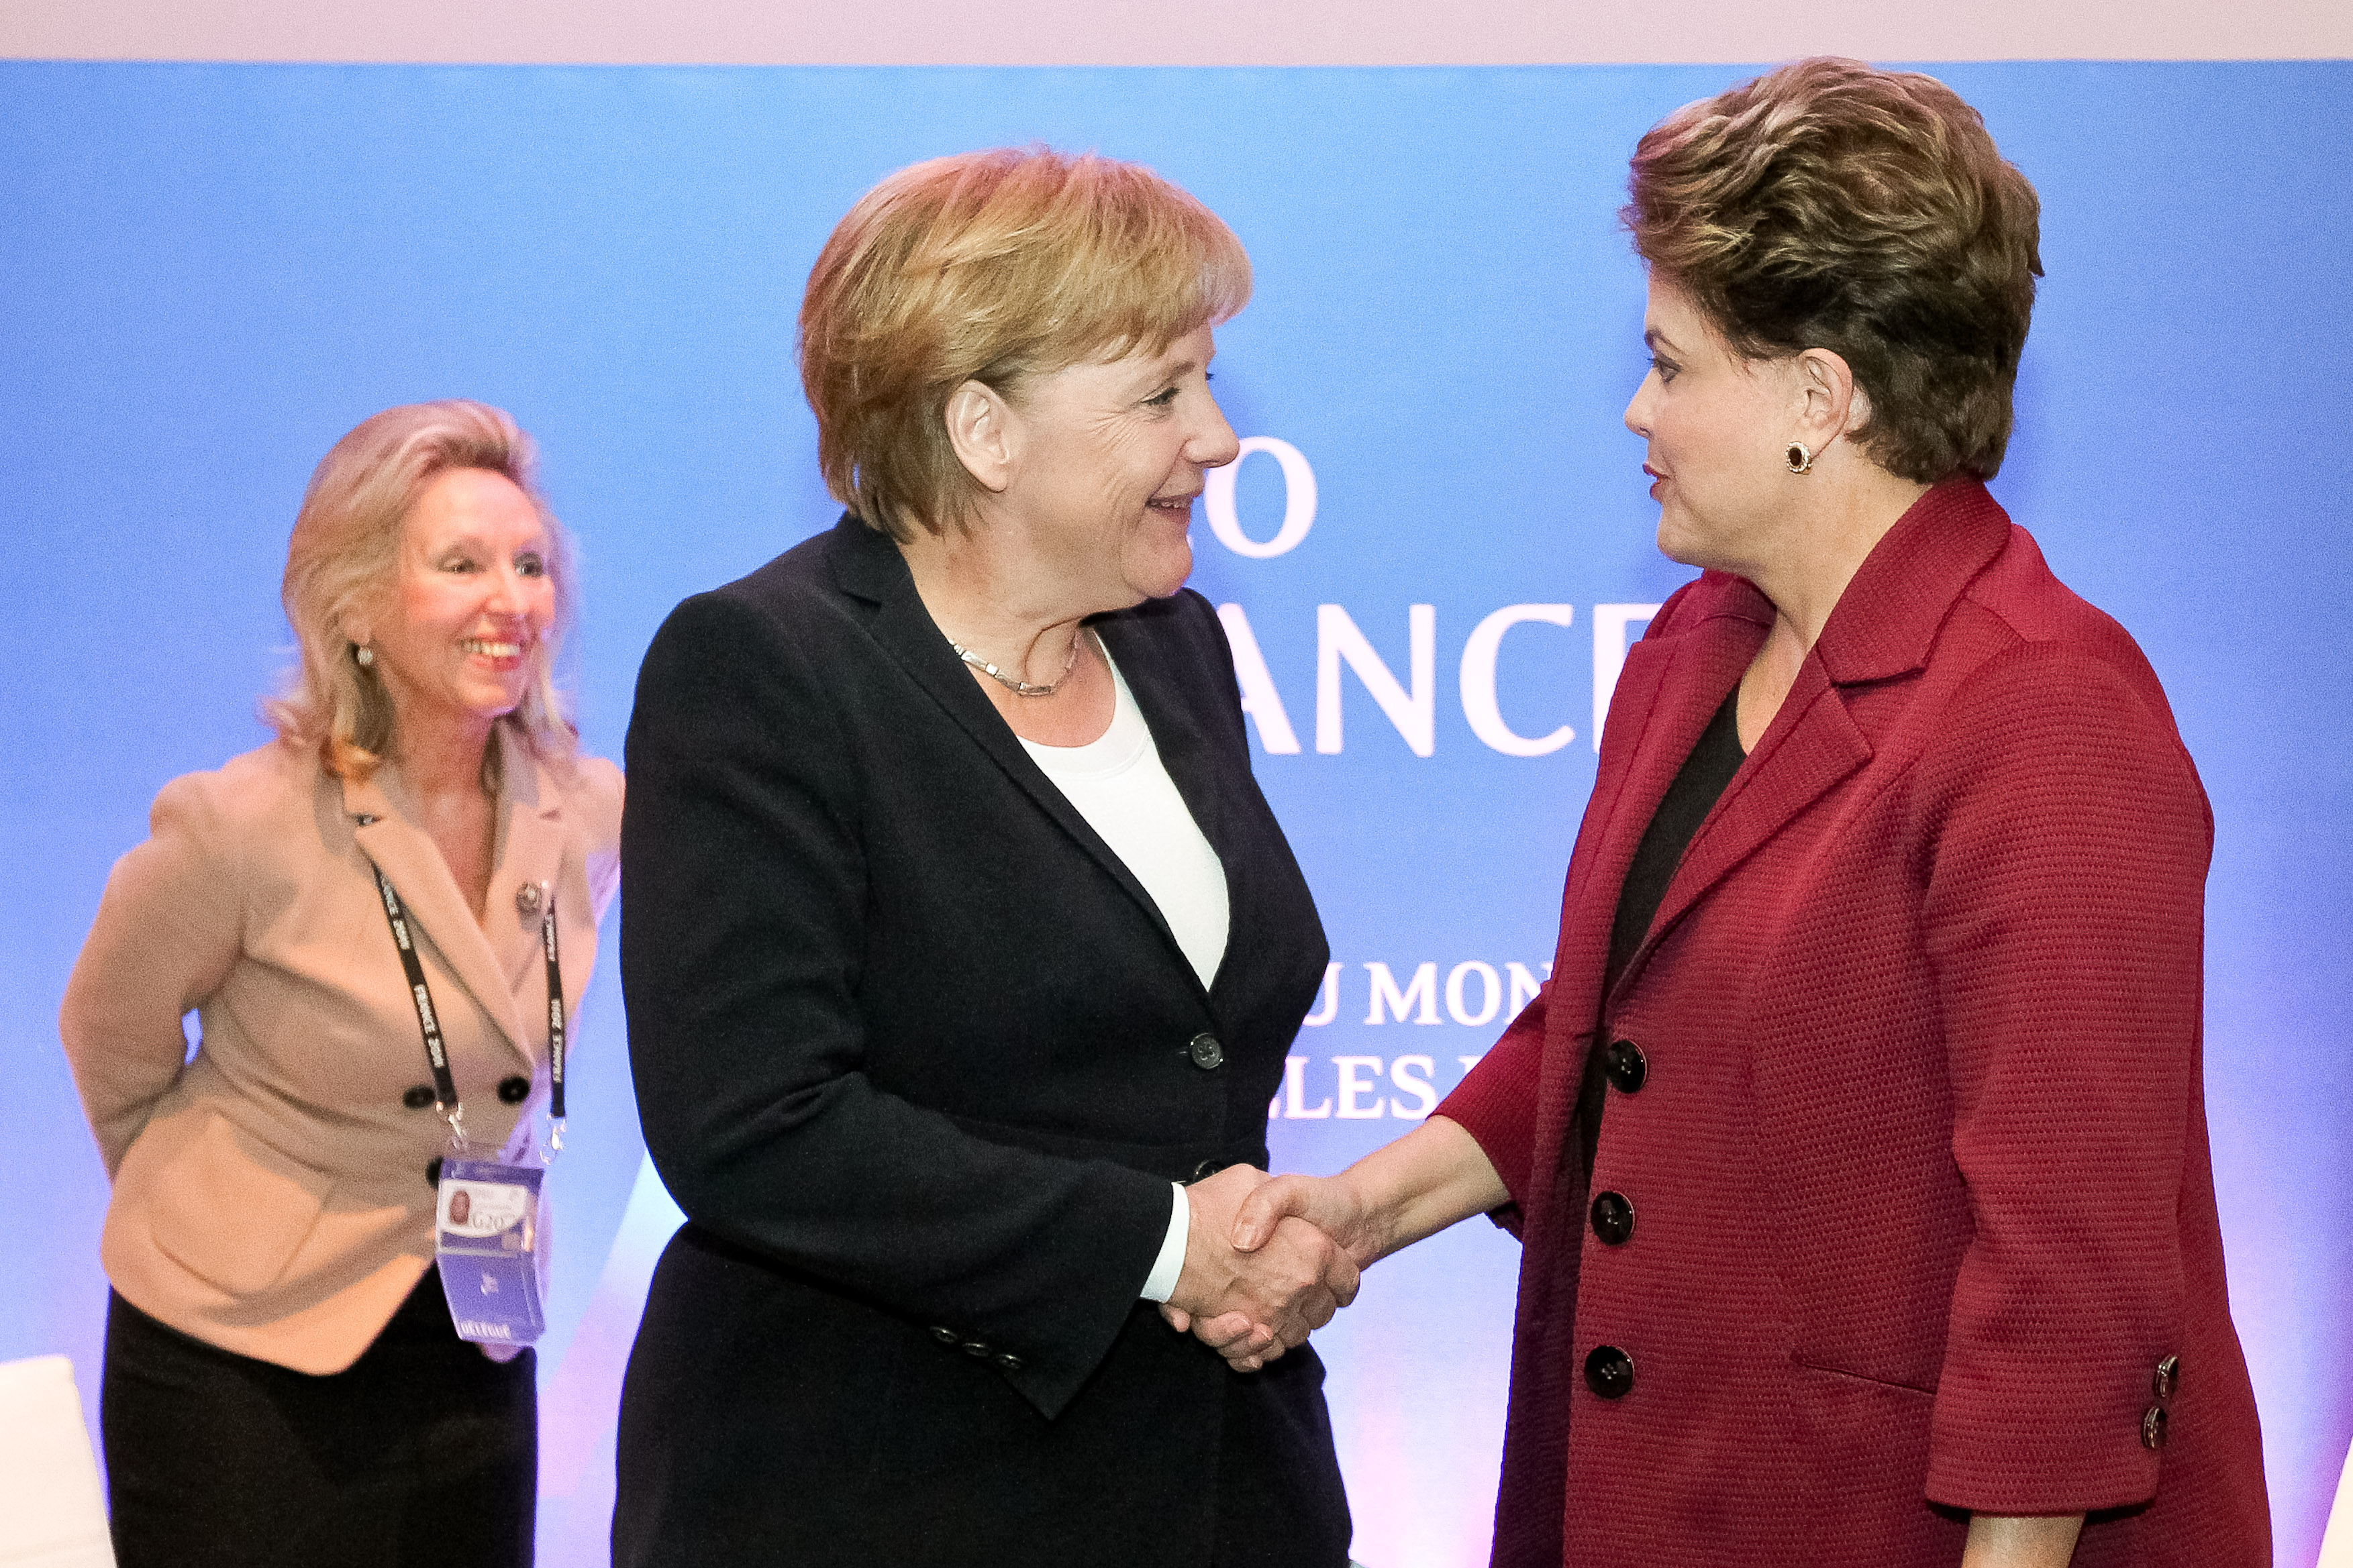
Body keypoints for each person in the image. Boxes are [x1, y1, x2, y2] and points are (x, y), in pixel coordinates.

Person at [1191, 58, 2270, 1568]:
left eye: (1672, 363)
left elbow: (2073, 1279)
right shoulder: (1700, 641)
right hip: (1658, 1493)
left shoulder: (2043, 714)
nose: (1636, 410)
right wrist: (1358, 1211)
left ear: (1818, 401)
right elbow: (1611, 1026)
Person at [613, 147, 1358, 1567]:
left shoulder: (1173, 647)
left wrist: (1253, 1251)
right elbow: (755, 1124)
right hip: (877, 1487)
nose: (1215, 438)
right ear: (982, 429)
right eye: (1162, 393)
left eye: (1205, 382)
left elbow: (1185, 1065)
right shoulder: (764, 667)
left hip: (1214, 1477)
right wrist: (1158, 1242)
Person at [60, 401, 623, 1568]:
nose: (510, 600)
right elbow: (109, 1029)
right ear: (356, 602)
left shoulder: (588, 811)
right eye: (461, 564)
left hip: (474, 1332)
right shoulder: (237, 826)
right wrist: (201, 1205)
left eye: (529, 565)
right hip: (236, 1349)